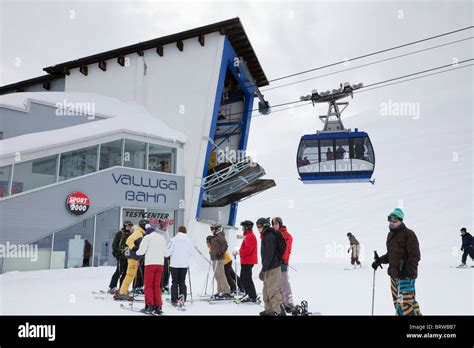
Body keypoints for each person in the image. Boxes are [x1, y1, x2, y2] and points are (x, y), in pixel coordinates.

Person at [372, 208, 422, 316]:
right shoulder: (390, 235)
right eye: (390, 220)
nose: (391, 222)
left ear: (400, 220)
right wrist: (379, 261)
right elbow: (390, 255)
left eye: (394, 220)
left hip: (406, 276)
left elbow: (415, 255)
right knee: (398, 305)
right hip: (394, 276)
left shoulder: (409, 234)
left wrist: (407, 271)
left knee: (407, 305)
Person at [136, 224, 168, 315]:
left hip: (150, 264)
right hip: (160, 265)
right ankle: (158, 306)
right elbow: (166, 254)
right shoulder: (162, 238)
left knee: (149, 286)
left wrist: (136, 251)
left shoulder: (147, 238)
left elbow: (141, 251)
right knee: (157, 286)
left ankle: (149, 305)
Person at [257, 217, 286, 316]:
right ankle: (269, 310)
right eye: (257, 226)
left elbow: (269, 255)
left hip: (272, 267)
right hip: (269, 267)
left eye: (259, 226)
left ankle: (279, 312)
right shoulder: (266, 235)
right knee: (266, 291)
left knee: (273, 290)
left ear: (264, 226)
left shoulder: (269, 236)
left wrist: (263, 269)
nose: (258, 228)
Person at [114, 219, 147, 301]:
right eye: (146, 225)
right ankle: (123, 292)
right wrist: (133, 247)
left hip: (135, 258)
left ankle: (123, 291)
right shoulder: (138, 233)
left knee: (130, 275)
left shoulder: (140, 233)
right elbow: (129, 240)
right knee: (130, 275)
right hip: (133, 258)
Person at [272, 217, 295, 313]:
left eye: (276, 223)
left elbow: (287, 249)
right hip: (274, 263)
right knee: (277, 284)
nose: (274, 226)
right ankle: (281, 303)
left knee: (284, 283)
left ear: (280, 224)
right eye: (273, 224)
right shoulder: (274, 234)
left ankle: (289, 304)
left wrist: (283, 260)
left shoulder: (286, 235)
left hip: (282, 262)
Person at [233, 220, 258, 303]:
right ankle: (250, 294)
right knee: (245, 278)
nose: (242, 229)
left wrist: (239, 252)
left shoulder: (249, 236)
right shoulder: (247, 236)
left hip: (248, 261)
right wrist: (239, 251)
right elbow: (246, 248)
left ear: (247, 228)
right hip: (246, 261)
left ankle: (252, 296)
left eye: (243, 227)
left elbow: (248, 250)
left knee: (246, 279)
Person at [168, 225, 193, 305]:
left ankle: (174, 299)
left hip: (174, 264)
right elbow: (191, 252)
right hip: (184, 264)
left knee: (174, 282)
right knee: (182, 281)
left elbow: (169, 251)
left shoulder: (173, 240)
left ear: (178, 231)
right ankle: (183, 298)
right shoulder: (188, 240)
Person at [108, 221, 133, 293]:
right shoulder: (120, 233)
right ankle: (112, 287)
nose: (129, 227)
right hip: (121, 255)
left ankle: (122, 287)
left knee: (126, 272)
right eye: (128, 225)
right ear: (124, 225)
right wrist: (115, 252)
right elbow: (115, 243)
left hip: (128, 256)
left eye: (130, 225)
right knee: (119, 271)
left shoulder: (131, 234)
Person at [208, 223, 232, 299]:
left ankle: (227, 291)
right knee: (216, 275)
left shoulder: (220, 236)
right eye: (211, 229)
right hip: (214, 258)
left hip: (219, 258)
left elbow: (225, 245)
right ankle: (220, 290)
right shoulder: (215, 237)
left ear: (217, 229)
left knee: (221, 275)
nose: (212, 231)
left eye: (213, 229)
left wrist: (221, 252)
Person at [155, 219, 171, 294]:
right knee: (160, 271)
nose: (163, 225)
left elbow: (169, 242)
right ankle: (159, 286)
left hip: (165, 255)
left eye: (164, 224)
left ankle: (165, 285)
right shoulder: (157, 232)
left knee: (166, 271)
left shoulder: (166, 232)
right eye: (162, 224)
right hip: (158, 255)